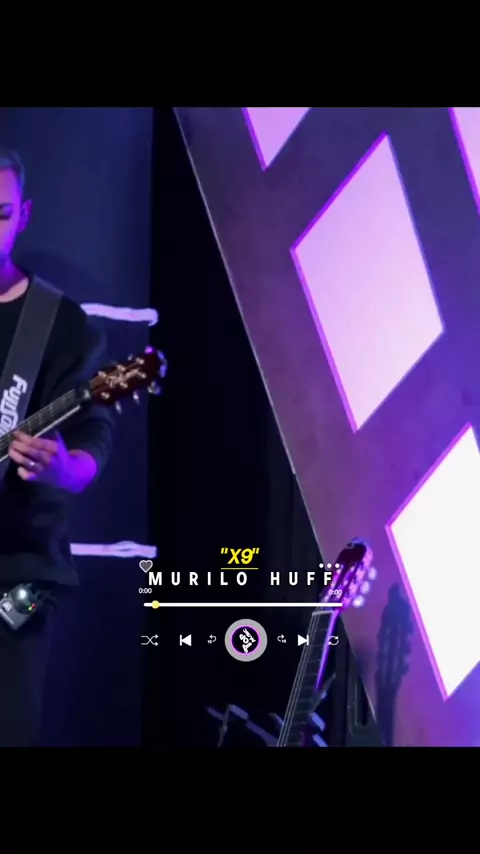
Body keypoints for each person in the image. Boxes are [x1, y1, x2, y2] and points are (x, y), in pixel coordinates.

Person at [0, 148, 114, 746]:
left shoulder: (61, 324)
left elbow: (95, 431)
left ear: (23, 215)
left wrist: (65, 469)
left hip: (19, 572)